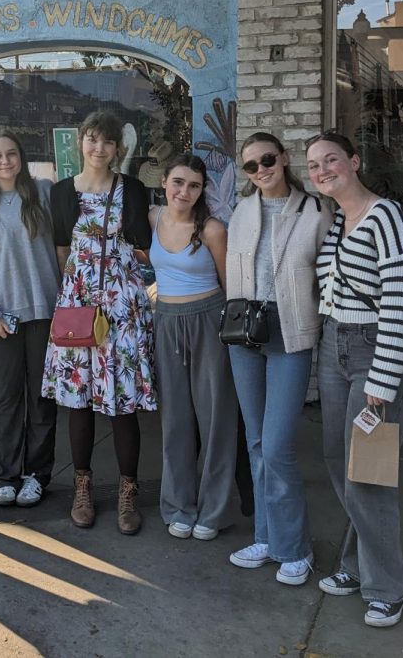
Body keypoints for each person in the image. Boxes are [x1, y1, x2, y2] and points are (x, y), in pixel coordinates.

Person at [306, 131, 403, 629]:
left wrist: (383, 378)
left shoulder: (387, 217)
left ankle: (387, 587)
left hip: (377, 351)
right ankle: (357, 565)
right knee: (339, 459)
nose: (322, 170)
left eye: (331, 159)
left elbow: (402, 299)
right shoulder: (337, 224)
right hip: (336, 347)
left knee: (368, 474)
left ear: (354, 162)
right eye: (313, 165)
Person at [225, 132, 331, 585]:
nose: (260, 170)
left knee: (278, 444)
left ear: (284, 159)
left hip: (290, 335)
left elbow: (329, 274)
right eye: (250, 166)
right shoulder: (241, 211)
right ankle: (267, 538)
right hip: (246, 335)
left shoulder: (316, 211)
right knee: (254, 441)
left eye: (266, 160)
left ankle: (296, 547)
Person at [45, 111, 154, 535]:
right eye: (92, 139)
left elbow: (145, 247)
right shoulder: (60, 193)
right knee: (79, 400)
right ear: (81, 143)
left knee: (122, 401)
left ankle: (129, 492)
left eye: (108, 142)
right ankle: (82, 487)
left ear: (117, 149)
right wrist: (75, 296)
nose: (99, 148)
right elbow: (60, 249)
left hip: (123, 308)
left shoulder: (133, 190)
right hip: (78, 306)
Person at [0, 130, 59, 509]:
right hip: (5, 320)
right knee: (4, 400)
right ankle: (7, 475)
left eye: (12, 154)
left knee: (41, 400)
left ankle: (36, 475)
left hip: (45, 315)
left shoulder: (43, 193)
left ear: (22, 156)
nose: (5, 161)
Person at [149, 154, 238, 542]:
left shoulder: (213, 230)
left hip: (207, 320)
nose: (184, 191)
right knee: (176, 422)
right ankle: (178, 505)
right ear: (164, 182)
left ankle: (214, 509)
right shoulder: (153, 219)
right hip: (166, 322)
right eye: (178, 182)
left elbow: (229, 287)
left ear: (203, 190)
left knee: (215, 419)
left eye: (194, 185)